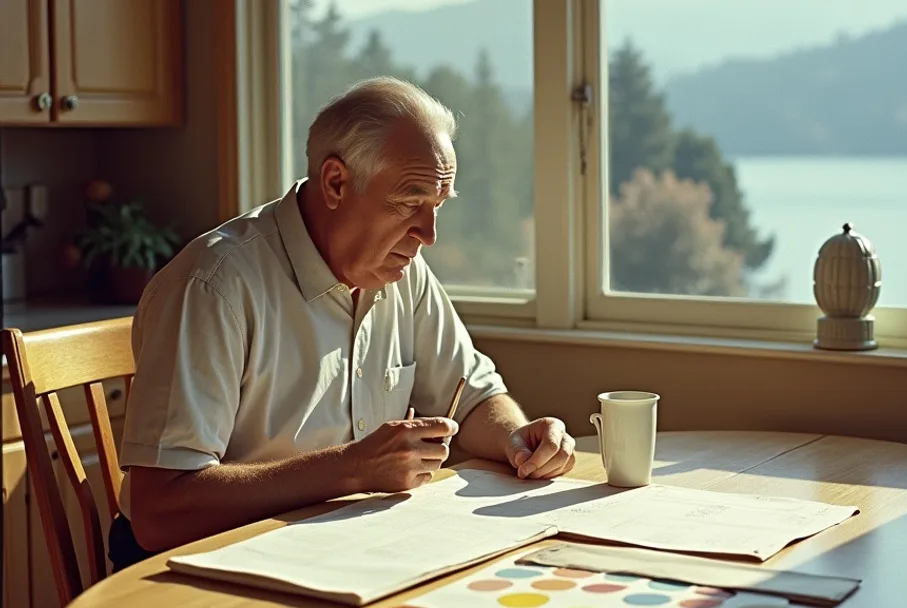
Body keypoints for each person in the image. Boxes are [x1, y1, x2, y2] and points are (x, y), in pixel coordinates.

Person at [108, 76, 577, 571]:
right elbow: (161, 512)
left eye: (437, 206)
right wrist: (351, 469)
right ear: (336, 182)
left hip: (341, 551)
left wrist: (516, 437)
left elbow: (474, 394)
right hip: (201, 569)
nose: (429, 234)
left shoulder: (403, 272)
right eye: (408, 201)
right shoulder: (213, 286)